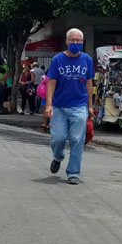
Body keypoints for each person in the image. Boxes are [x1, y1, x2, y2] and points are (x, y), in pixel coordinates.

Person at [45, 28, 94, 185]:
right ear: (66, 42)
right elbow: (51, 82)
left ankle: (73, 172)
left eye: (78, 41)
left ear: (82, 42)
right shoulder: (57, 60)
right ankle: (58, 157)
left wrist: (90, 106)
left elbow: (89, 83)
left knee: (76, 139)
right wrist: (49, 104)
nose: (75, 43)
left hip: (79, 106)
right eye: (72, 40)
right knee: (58, 138)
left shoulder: (87, 60)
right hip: (59, 106)